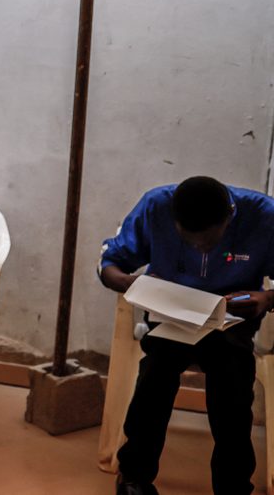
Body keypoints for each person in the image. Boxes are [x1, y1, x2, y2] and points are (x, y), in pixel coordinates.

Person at [99, 176, 274, 495]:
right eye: (188, 239)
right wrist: (129, 283)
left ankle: (233, 486)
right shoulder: (156, 206)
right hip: (170, 317)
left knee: (233, 389)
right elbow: (110, 262)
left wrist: (266, 299)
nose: (198, 247)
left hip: (231, 320)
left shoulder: (264, 215)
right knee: (154, 377)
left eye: (207, 241)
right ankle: (133, 478)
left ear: (229, 218)